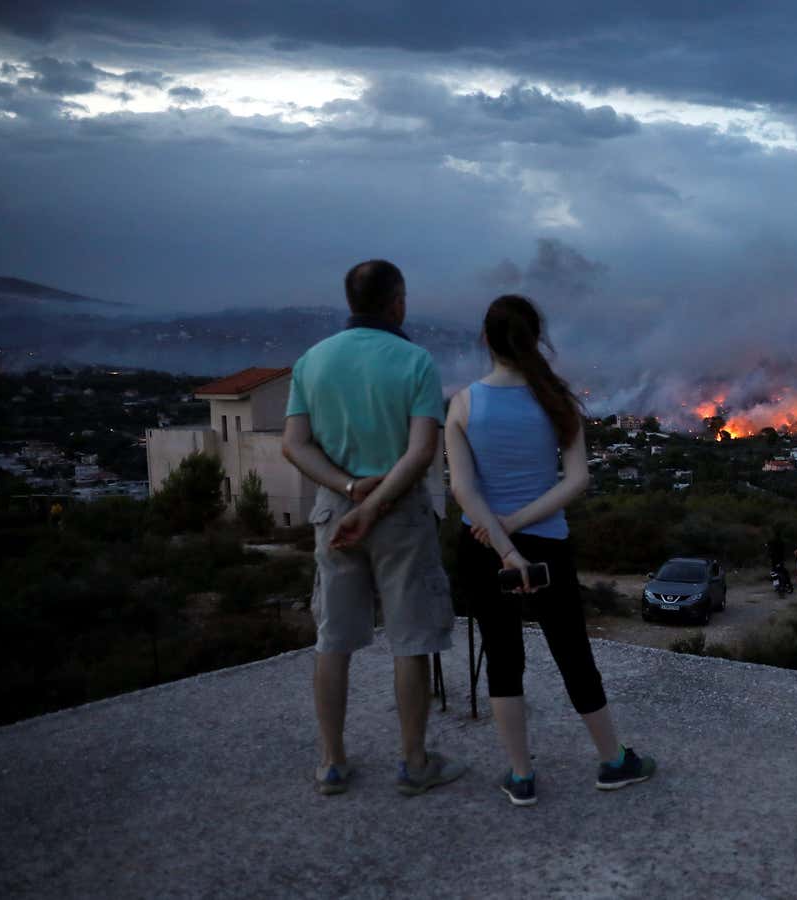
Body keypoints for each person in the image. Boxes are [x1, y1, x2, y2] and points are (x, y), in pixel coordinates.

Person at [446, 293, 656, 808]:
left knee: (502, 657)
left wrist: (501, 537)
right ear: (536, 338)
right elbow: (578, 480)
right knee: (572, 652)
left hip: (482, 546)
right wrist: (520, 525)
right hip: (548, 544)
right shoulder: (556, 400)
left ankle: (521, 776)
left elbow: (463, 491)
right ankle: (612, 760)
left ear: (487, 340)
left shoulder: (465, 403)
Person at [281, 259, 465, 797]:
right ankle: (413, 763)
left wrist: (347, 490)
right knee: (410, 640)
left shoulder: (312, 361)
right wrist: (377, 500)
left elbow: (293, 445)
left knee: (332, 640)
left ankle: (332, 763)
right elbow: (421, 450)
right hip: (400, 515)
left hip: (335, 516)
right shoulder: (415, 362)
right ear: (398, 301)